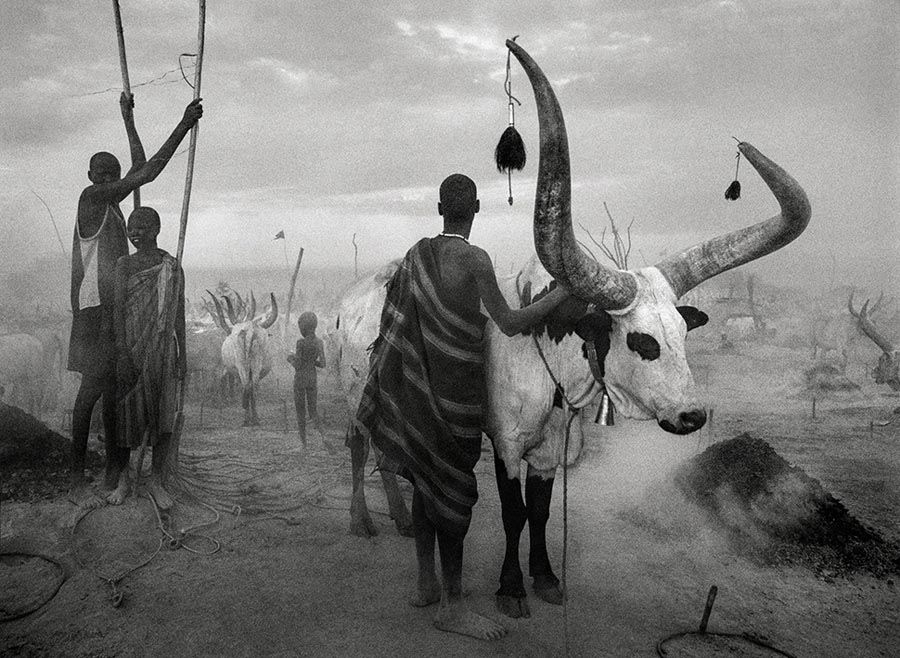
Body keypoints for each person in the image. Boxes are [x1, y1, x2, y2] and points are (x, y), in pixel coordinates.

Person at [356, 174, 569, 641]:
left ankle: (426, 582)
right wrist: (558, 296)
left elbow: (396, 323)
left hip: (416, 392)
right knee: (450, 491)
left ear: (438, 208)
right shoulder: (475, 259)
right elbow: (510, 323)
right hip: (455, 395)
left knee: (423, 481)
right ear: (476, 207)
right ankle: (452, 607)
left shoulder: (415, 255)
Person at [67, 92, 202, 508]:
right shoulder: (92, 200)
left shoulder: (110, 204)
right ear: (91, 176)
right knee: (91, 392)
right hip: (94, 312)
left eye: (113, 175)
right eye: (103, 174)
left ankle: (114, 471)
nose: (109, 180)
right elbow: (149, 173)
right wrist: (183, 124)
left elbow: (141, 168)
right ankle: (77, 476)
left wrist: (128, 119)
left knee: (113, 394)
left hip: (110, 310)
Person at [108, 207, 186, 508]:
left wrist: (183, 355)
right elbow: (117, 311)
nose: (134, 232)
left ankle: (155, 479)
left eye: (141, 226)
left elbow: (178, 313)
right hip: (132, 347)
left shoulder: (172, 265)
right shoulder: (124, 265)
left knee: (162, 414)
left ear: (156, 228)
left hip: (163, 350)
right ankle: (126, 479)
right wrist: (123, 353)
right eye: (130, 226)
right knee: (128, 414)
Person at [287, 311, 326, 448]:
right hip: (312, 378)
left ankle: (303, 444)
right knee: (313, 410)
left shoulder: (300, 343)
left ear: (302, 327)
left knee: (300, 412)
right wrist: (310, 361)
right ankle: (323, 437)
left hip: (300, 380)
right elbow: (323, 364)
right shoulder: (319, 342)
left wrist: (290, 358)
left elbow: (298, 365)